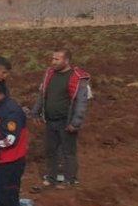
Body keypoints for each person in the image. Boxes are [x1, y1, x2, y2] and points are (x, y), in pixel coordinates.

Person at [29, 49, 91, 188]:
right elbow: (42, 95)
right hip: (51, 120)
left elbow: (81, 102)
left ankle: (70, 179)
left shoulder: (77, 77)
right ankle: (52, 178)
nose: (53, 62)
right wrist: (35, 112)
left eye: (57, 59)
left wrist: (76, 122)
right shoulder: (50, 74)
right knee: (50, 150)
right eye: (53, 59)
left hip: (66, 121)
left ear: (66, 60)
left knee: (68, 151)